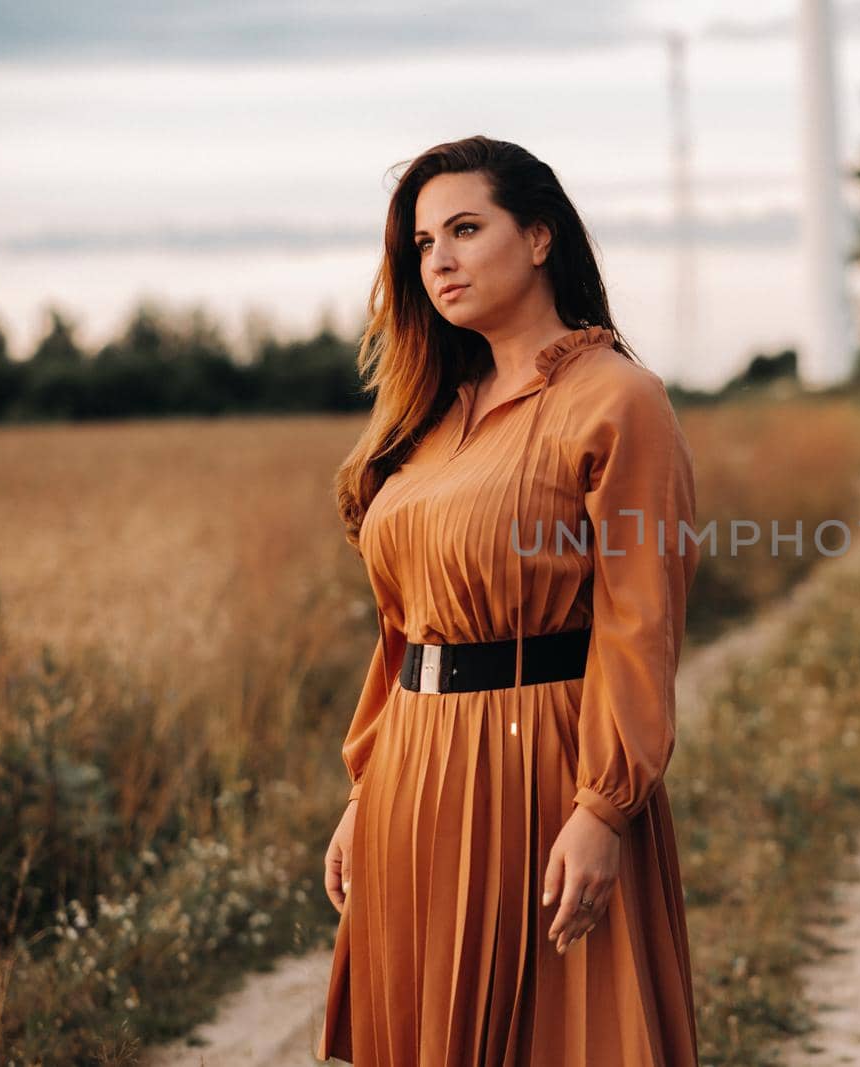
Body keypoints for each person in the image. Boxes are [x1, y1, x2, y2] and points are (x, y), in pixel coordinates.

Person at [316, 135, 702, 1066]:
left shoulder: (616, 398)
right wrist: (368, 783)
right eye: (421, 243)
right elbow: (402, 632)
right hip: (415, 767)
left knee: (563, 1036)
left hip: (546, 768)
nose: (438, 259)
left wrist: (605, 806)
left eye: (464, 228)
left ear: (538, 238)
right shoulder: (429, 414)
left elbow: (638, 620)